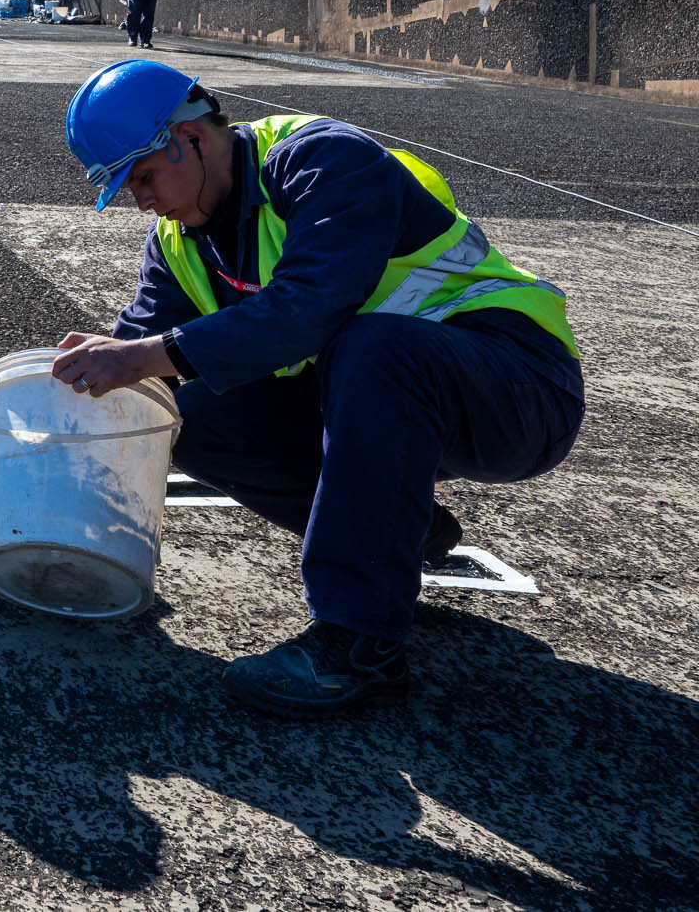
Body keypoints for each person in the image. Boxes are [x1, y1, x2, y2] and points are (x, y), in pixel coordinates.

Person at [54, 59, 583, 717]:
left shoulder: (320, 159)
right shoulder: (177, 245)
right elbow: (132, 379)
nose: (141, 198)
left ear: (190, 137)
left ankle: (361, 643)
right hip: (388, 399)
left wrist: (141, 355)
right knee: (178, 409)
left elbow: (310, 309)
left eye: (142, 176)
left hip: (518, 383)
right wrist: (54, 490)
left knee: (373, 343)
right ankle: (397, 533)